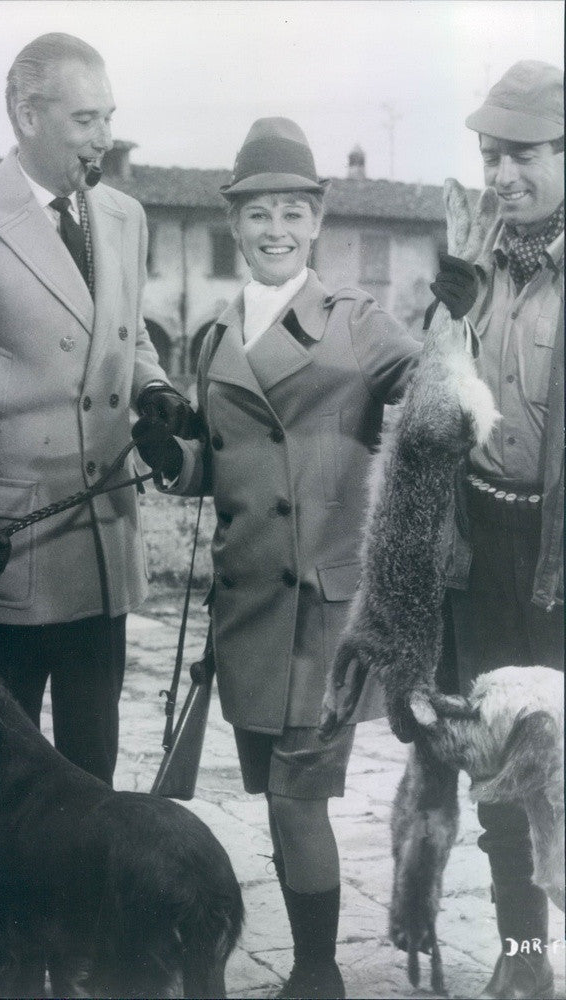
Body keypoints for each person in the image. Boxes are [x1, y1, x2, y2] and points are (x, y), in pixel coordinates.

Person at [134, 118, 421, 998]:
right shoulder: (219, 338)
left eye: (292, 213)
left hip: (319, 613)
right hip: (248, 608)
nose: (275, 230)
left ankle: (317, 972)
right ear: (235, 222)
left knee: (299, 800)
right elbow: (220, 468)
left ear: (316, 222)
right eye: (259, 214)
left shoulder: (357, 323)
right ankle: (312, 961)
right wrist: (167, 456)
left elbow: (435, 408)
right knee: (276, 797)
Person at [0, 33, 190, 788]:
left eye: (109, 117)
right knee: (14, 779)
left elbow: (129, 344)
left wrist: (157, 392)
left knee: (93, 769)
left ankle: (91, 911)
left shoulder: (126, 217)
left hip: (103, 543)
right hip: (14, 554)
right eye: (84, 120)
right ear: (24, 114)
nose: (103, 139)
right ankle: (25, 912)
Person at [441, 60, 564, 1000]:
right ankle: (523, 957)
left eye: (521, 155)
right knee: (497, 754)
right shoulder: (476, 269)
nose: (501, 177)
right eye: (490, 157)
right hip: (484, 544)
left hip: (563, 553)